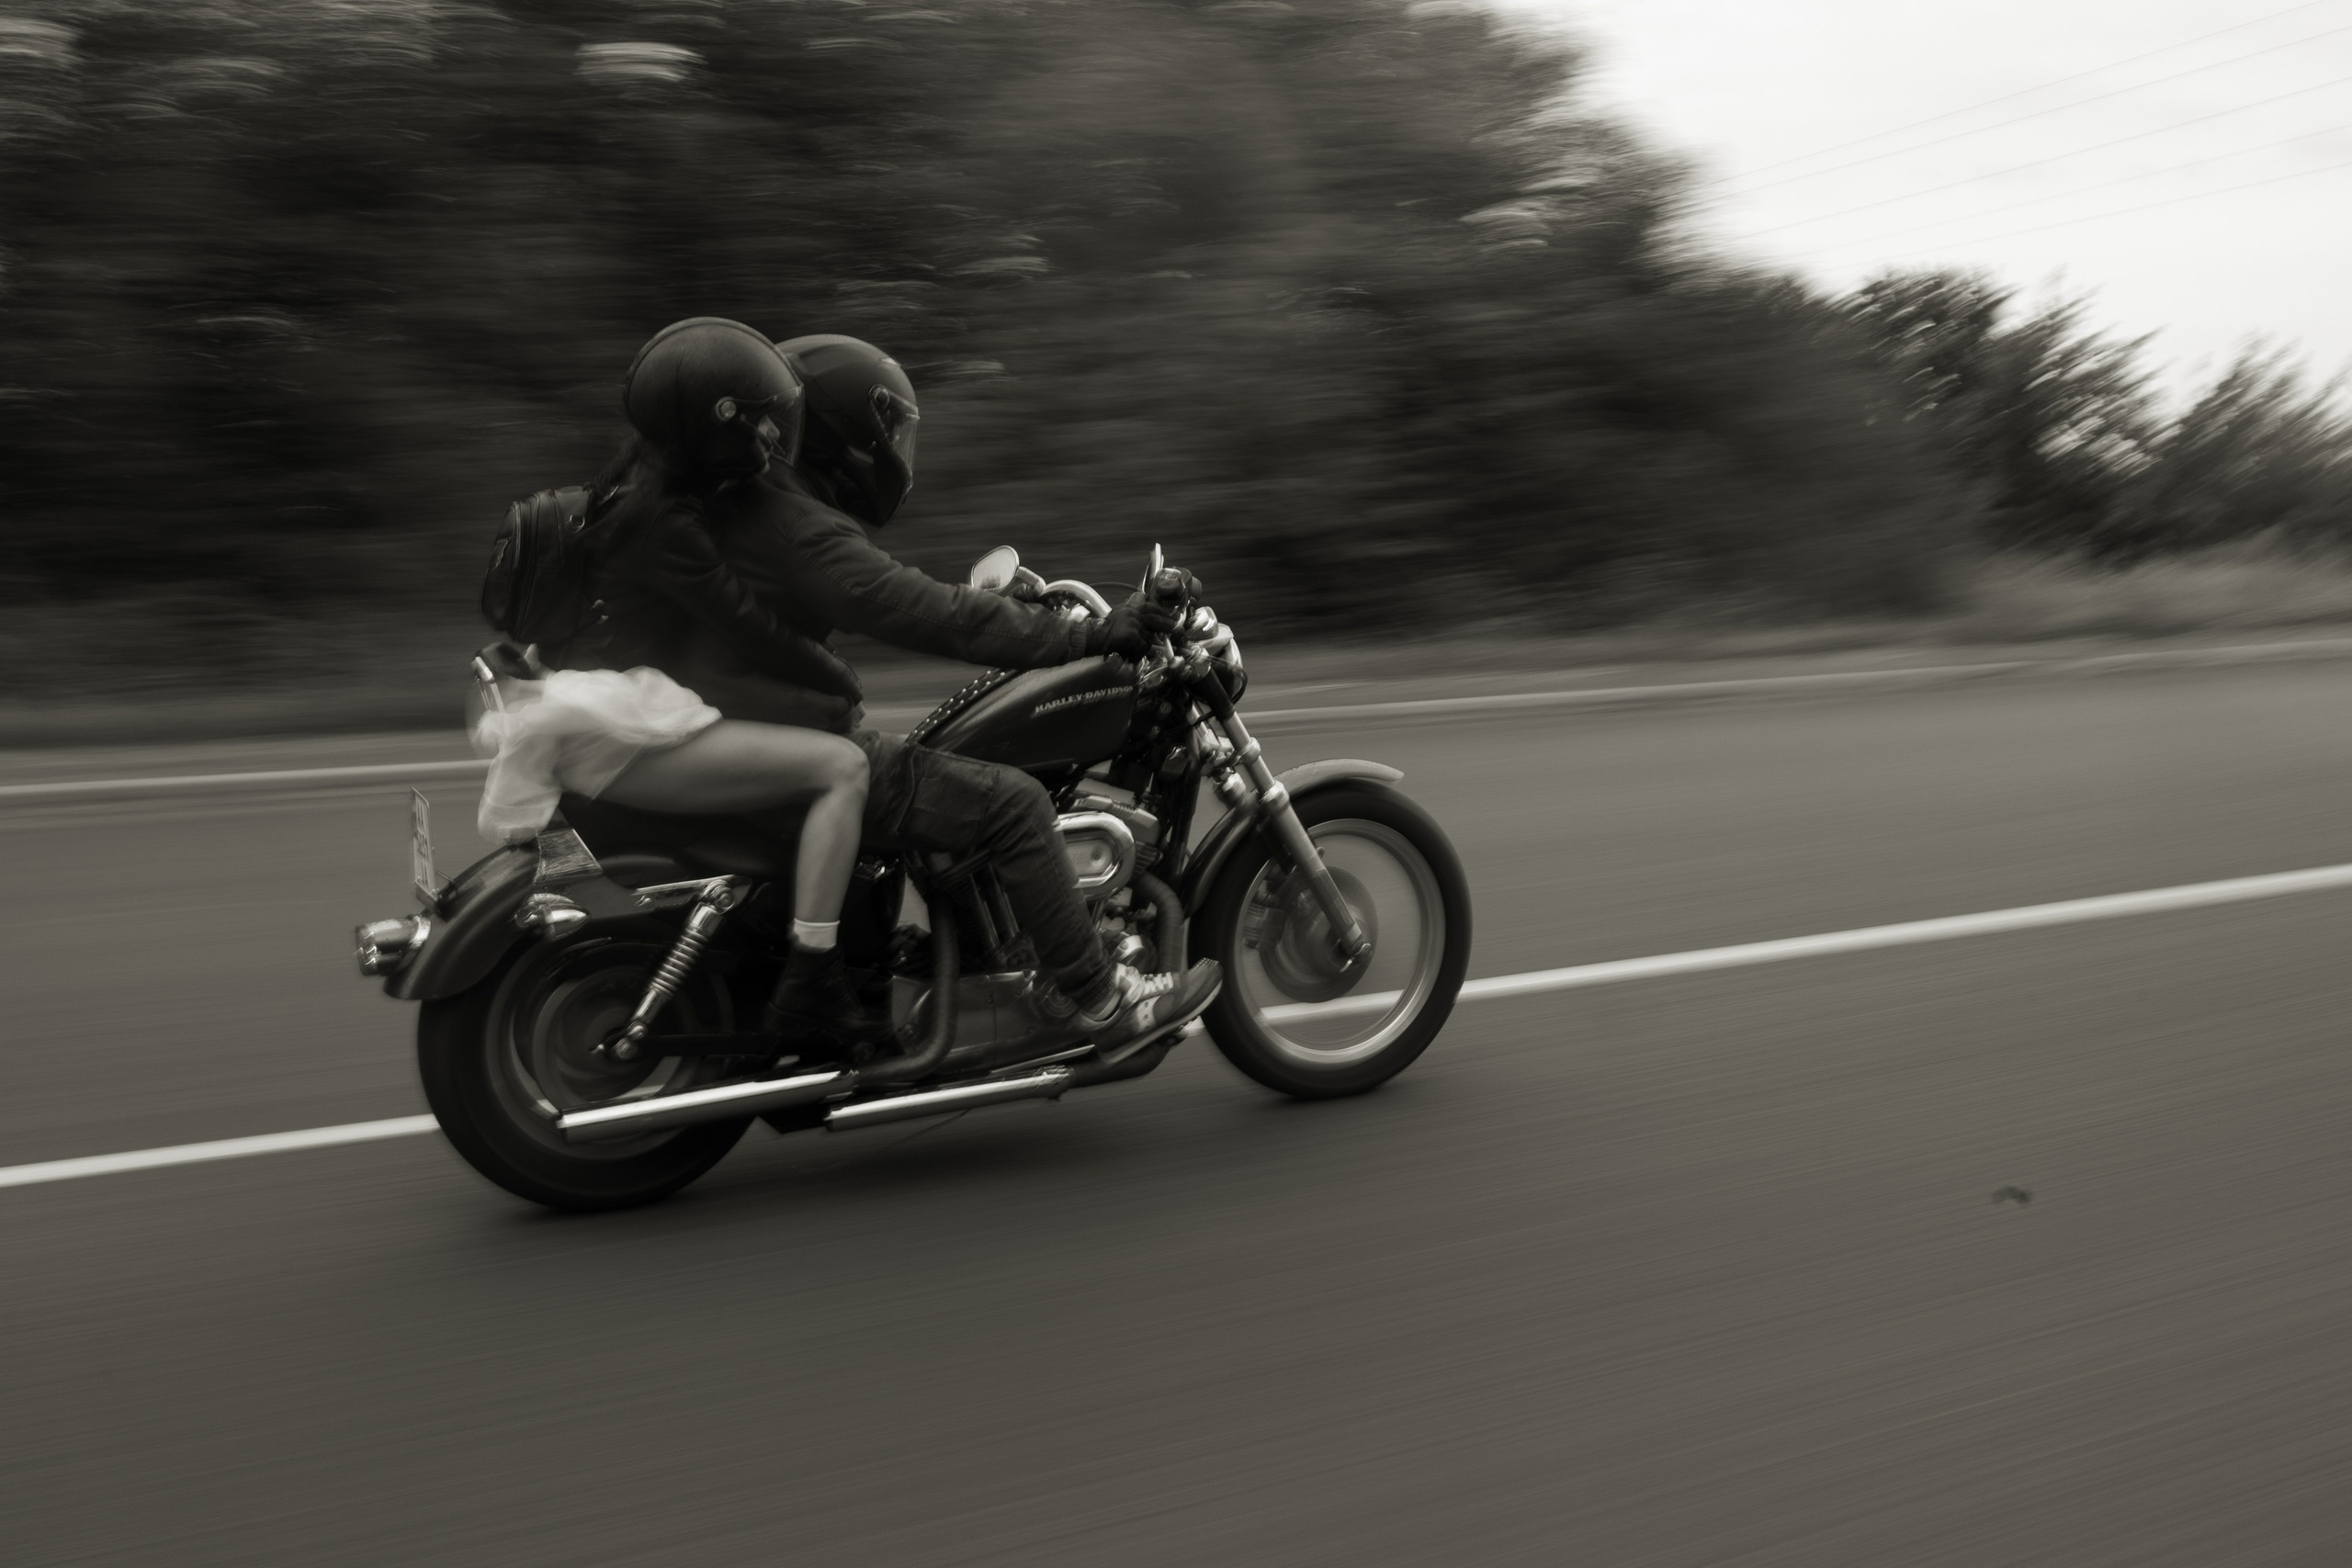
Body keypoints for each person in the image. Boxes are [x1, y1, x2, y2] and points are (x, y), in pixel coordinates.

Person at [665, 332, 1223, 1057]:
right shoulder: (794, 524)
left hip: (753, 725)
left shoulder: (752, 503)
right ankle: (1095, 996)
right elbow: (921, 610)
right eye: (888, 431)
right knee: (1016, 803)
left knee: (941, 768)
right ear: (849, 434)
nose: (896, 450)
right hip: (795, 743)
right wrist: (1084, 637)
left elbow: (907, 595)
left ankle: (954, 958)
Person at [471, 317, 886, 1043]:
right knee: (843, 768)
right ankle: (811, 979)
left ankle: (807, 934)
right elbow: (745, 623)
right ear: (712, 424)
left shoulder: (640, 482)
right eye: (756, 424)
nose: (769, 439)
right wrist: (838, 675)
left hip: (608, 711)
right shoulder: (663, 522)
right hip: (621, 732)